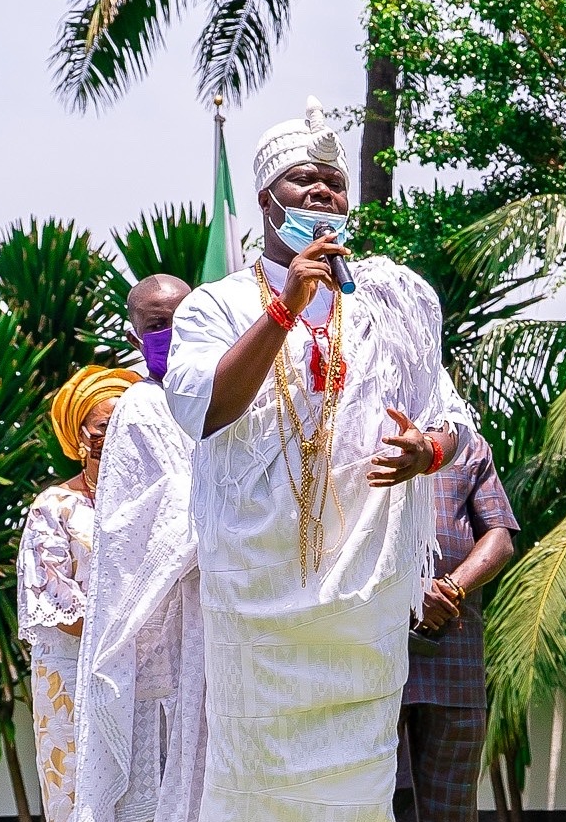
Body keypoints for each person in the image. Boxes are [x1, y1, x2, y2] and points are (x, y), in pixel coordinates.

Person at [165, 96, 475, 820]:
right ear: (267, 200)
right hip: (255, 603)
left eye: (334, 183)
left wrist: (425, 450)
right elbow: (202, 409)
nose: (323, 193)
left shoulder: (389, 307)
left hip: (361, 608)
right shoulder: (214, 306)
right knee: (253, 791)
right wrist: (284, 307)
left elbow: (454, 422)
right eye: (304, 180)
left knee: (357, 795)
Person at [73, 276, 208, 822]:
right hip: (159, 626)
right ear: (134, 337)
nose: (172, 332)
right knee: (158, 779)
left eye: (183, 319)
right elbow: (135, 524)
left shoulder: (232, 397)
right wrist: (221, 517)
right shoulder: (140, 408)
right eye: (157, 325)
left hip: (227, 617)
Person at [18, 365, 139, 822]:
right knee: (77, 794)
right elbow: (57, 605)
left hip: (142, 675)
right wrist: (127, 631)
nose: (115, 436)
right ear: (79, 436)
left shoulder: (155, 501)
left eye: (126, 423)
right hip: (73, 677)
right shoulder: (54, 507)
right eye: (104, 426)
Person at [394, 429, 518, 822]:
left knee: (454, 813)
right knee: (369, 804)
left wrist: (450, 587)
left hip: (454, 666)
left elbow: (500, 538)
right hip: (376, 660)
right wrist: (410, 592)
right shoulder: (360, 432)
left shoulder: (467, 443)